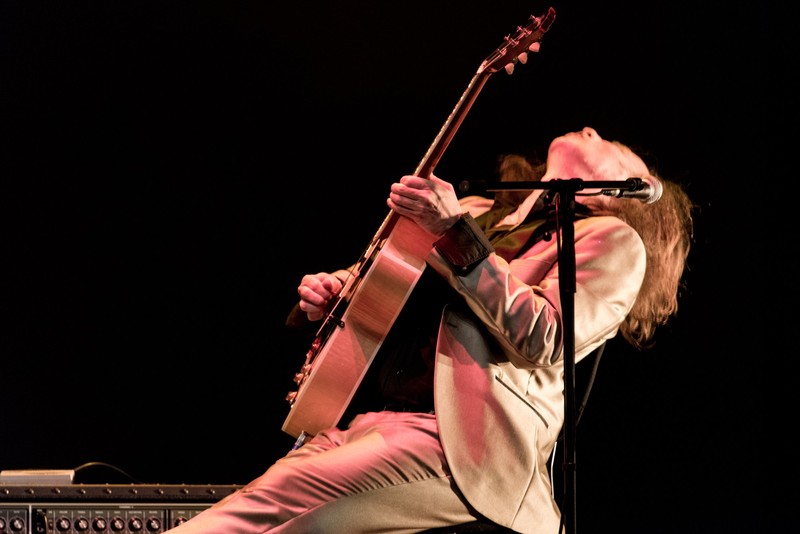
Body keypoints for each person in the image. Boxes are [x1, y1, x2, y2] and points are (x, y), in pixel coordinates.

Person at [168, 126, 694, 533]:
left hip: (461, 442)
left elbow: (548, 336)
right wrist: (338, 289)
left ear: (629, 191)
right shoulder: (479, 211)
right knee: (253, 505)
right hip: (374, 419)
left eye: (612, 144)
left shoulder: (612, 238)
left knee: (266, 508)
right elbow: (387, 280)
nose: (591, 129)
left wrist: (455, 234)